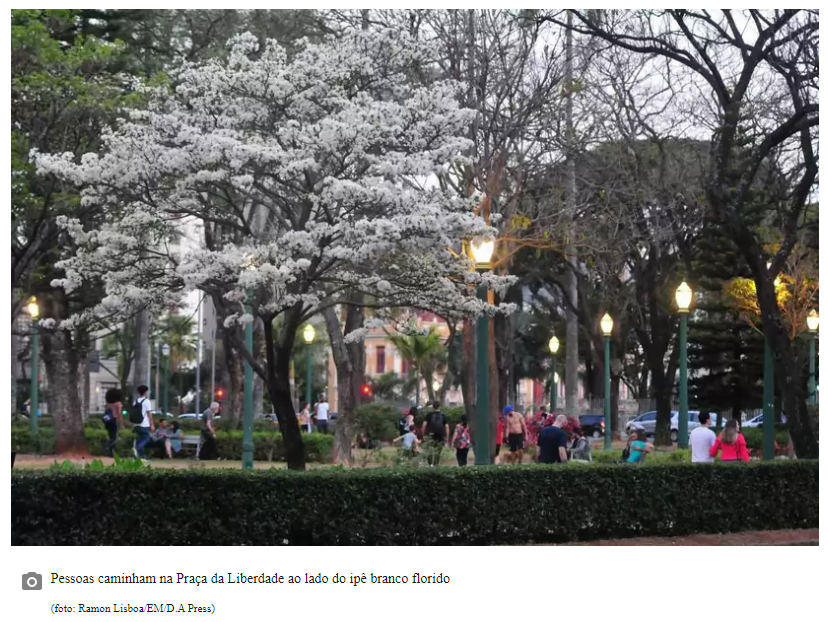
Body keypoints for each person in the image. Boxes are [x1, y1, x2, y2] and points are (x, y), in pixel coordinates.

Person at [421, 400, 449, 467]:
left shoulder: (429, 415)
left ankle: (430, 464)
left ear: (433, 407)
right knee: (438, 450)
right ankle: (436, 464)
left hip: (431, 434)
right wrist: (447, 437)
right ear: (439, 407)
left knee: (430, 450)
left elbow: (424, 425)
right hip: (440, 435)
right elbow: (447, 427)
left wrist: (423, 434)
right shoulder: (443, 416)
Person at [132, 385, 154, 458]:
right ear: (145, 392)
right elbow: (149, 414)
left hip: (136, 424)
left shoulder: (135, 401)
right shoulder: (147, 401)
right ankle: (136, 450)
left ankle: (141, 456)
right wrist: (152, 424)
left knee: (139, 439)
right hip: (144, 424)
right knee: (146, 438)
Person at [101, 388, 124, 456]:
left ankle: (110, 452)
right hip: (114, 421)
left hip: (108, 421)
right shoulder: (118, 403)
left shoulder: (108, 404)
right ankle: (106, 447)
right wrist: (122, 423)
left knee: (111, 436)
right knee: (114, 438)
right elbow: (119, 414)